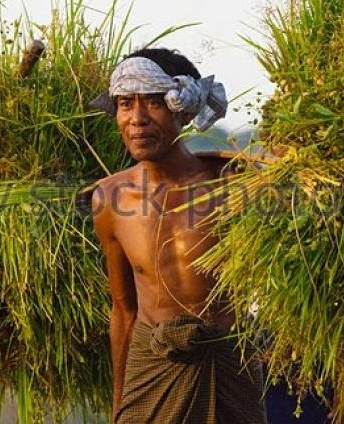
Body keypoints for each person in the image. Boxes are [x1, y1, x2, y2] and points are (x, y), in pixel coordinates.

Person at [89, 48, 266, 423]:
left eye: (154, 103)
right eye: (125, 104)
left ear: (184, 111)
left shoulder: (232, 184)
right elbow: (123, 310)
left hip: (226, 364)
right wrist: (119, 404)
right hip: (153, 365)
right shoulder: (110, 198)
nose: (137, 119)